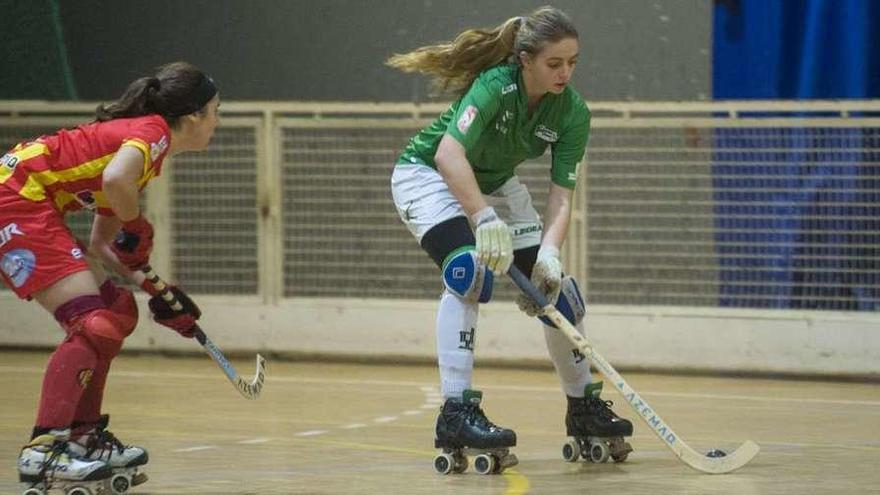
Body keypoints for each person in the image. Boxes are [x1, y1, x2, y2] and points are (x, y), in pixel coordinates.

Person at [388, 7, 633, 471]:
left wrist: (551, 254)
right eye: (554, 63)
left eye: (573, 63)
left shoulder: (574, 113)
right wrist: (481, 218)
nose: (565, 73)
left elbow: (562, 197)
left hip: (494, 182)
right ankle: (455, 412)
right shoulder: (495, 86)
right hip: (428, 176)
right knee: (468, 272)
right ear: (525, 60)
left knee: (557, 293)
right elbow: (448, 154)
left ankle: (583, 407)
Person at [2, 61, 218, 492]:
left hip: (29, 202)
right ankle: (45, 450)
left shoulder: (141, 149)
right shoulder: (152, 132)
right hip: (16, 201)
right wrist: (136, 224)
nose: (218, 121)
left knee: (118, 311)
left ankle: (83, 437)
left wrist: (158, 290)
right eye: (216, 110)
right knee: (93, 325)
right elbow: (117, 183)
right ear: (193, 116)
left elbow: (104, 244)